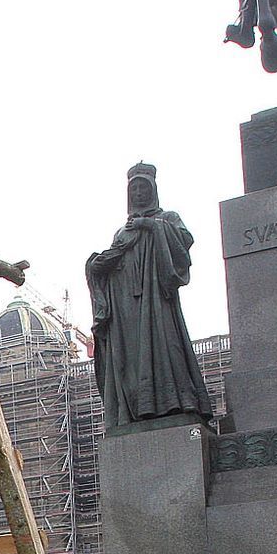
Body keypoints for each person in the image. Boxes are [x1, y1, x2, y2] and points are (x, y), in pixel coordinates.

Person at [85, 162, 211, 426]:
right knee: (131, 359)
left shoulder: (168, 218)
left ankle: (176, 403)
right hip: (125, 306)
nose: (139, 193)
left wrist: (151, 226)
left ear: (153, 189)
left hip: (156, 299)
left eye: (144, 187)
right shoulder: (123, 231)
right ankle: (136, 409)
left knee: (167, 347)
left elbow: (183, 243)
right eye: (135, 189)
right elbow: (110, 260)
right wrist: (96, 265)